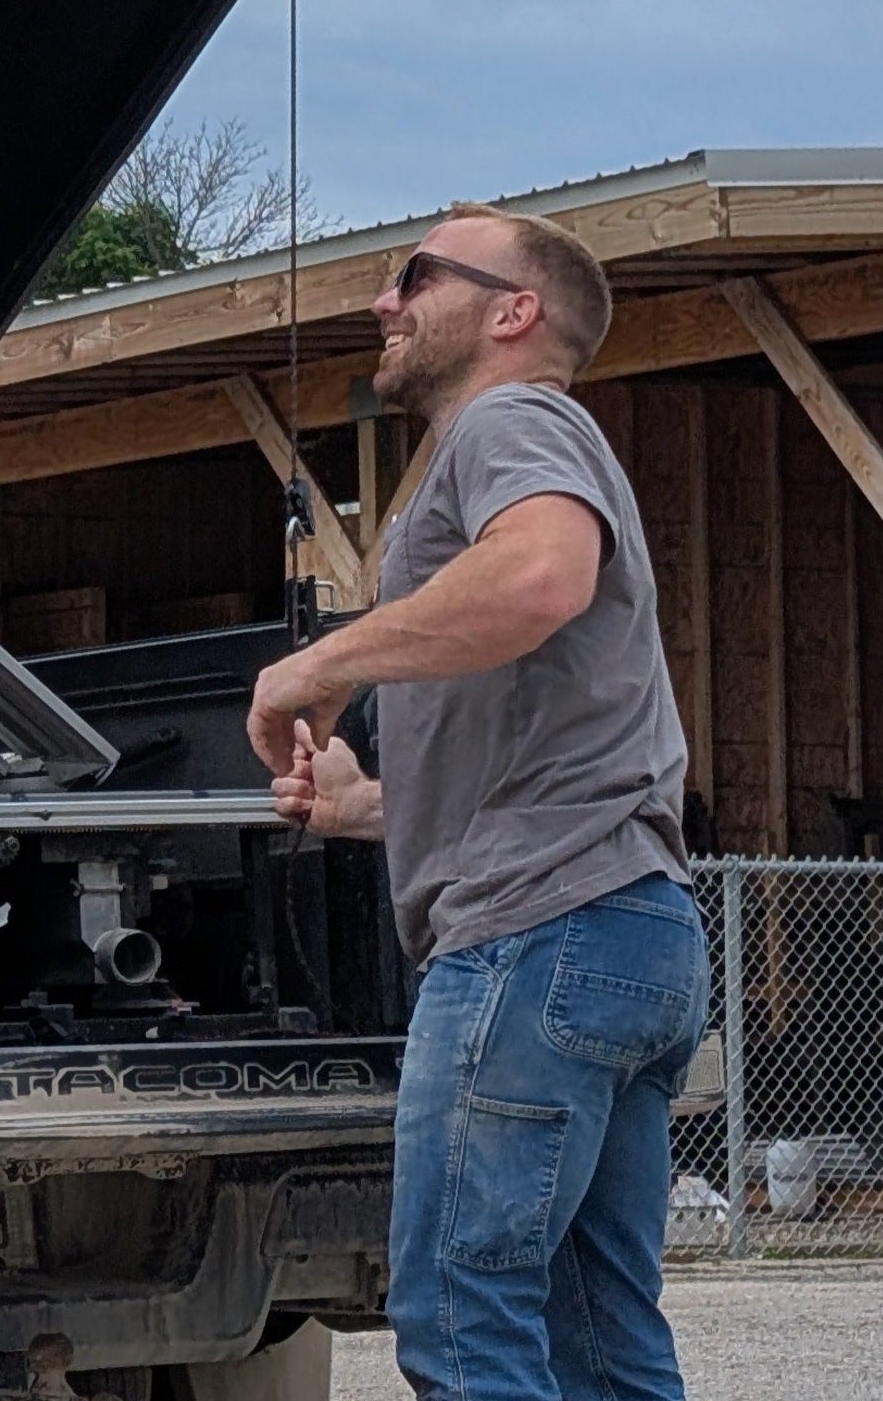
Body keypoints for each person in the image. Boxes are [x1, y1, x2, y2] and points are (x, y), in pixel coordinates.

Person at [246, 203, 704, 1401]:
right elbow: (541, 762)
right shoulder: (522, 440)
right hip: (631, 928)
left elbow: (545, 572)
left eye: (414, 276)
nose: (383, 302)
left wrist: (322, 661)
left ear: (515, 311)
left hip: (536, 940)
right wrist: (365, 805)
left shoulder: (512, 416)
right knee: (598, 1339)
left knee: (463, 1319)